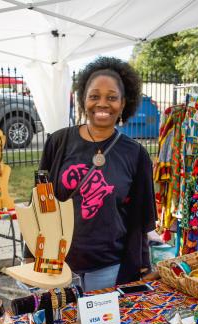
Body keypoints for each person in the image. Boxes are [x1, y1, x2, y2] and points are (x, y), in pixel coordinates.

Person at [35, 57, 156, 291]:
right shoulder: (58, 142)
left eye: (112, 97)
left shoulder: (135, 154)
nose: (103, 103)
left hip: (109, 270)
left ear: (123, 104)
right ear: (83, 100)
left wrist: (143, 266)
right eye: (94, 96)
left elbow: (139, 219)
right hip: (57, 265)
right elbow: (41, 204)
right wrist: (31, 255)